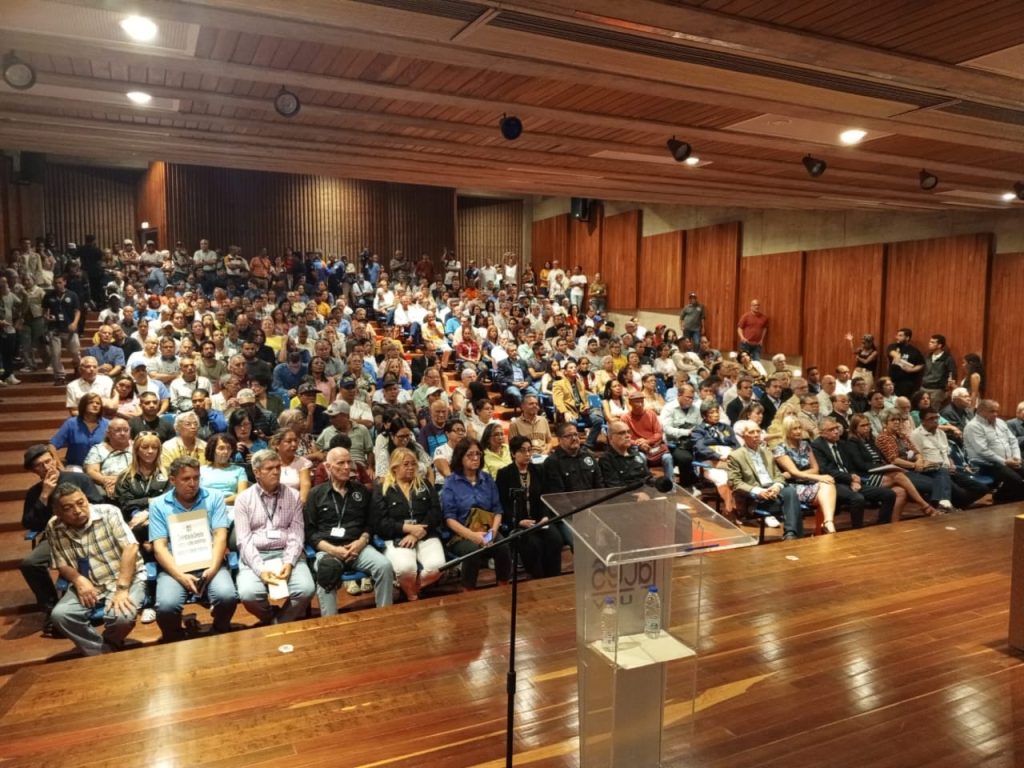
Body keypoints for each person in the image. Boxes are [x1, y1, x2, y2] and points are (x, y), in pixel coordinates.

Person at [45, 484, 146, 655]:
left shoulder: (108, 512)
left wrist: (122, 589)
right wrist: (78, 579)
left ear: (86, 498)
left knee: (123, 617)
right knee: (60, 615)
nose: (77, 510)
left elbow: (131, 548)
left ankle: (108, 644)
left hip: (124, 578)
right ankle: (101, 651)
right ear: (58, 512)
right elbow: (61, 562)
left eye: (81, 502)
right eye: (68, 508)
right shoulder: (53, 526)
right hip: (89, 584)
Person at [148, 457, 237, 640]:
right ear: (172, 480)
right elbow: (160, 548)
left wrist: (212, 569)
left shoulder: (214, 498)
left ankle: (219, 630)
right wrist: (180, 576)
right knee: (166, 607)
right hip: (175, 565)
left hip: (210, 561)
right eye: (186, 479)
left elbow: (220, 536)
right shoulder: (158, 504)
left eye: (196, 478)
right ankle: (175, 638)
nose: (193, 483)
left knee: (227, 596)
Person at [19, 445, 103, 635]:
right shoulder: (35, 492)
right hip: (56, 537)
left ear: (55, 459)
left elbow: (98, 503)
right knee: (30, 563)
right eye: (40, 465)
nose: (47, 467)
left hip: (88, 531)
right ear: (34, 471)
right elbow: (30, 522)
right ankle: (51, 607)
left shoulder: (79, 479)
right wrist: (45, 495)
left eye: (48, 461)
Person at [306, 447, 395, 613]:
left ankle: (385, 614)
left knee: (384, 566)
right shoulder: (315, 494)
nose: (347, 467)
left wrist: (361, 542)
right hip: (328, 549)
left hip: (358, 547)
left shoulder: (361, 491)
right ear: (328, 467)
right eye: (341, 463)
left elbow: (370, 524)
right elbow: (310, 533)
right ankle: (330, 623)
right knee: (327, 570)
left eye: (349, 462)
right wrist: (333, 550)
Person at [233, 449, 315, 624]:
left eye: (278, 467)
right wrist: (260, 570)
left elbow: (297, 533)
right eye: (269, 468)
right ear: (256, 472)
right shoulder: (244, 499)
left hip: (287, 551)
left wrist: (289, 561)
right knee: (249, 595)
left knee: (306, 589)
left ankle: (277, 622)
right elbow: (243, 540)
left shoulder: (293, 495)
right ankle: (272, 618)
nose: (276, 472)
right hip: (256, 554)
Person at [371, 447, 445, 601]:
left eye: (414, 464)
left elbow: (435, 513)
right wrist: (408, 529)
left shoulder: (424, 484)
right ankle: (411, 594)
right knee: (406, 569)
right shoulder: (382, 488)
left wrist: (417, 534)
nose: (411, 468)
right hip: (396, 536)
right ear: (395, 467)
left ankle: (412, 588)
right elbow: (379, 523)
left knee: (437, 568)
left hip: (425, 534)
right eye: (406, 464)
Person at [441, 438, 512, 589]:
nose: (475, 458)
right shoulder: (451, 483)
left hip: (487, 530)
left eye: (478, 454)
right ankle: (469, 590)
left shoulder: (487, 479)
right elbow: (449, 519)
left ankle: (503, 586)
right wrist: (472, 536)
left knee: (503, 546)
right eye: (470, 455)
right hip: (461, 534)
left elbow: (497, 510)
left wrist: (493, 532)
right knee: (472, 551)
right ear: (460, 457)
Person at [495, 436, 563, 579]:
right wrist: (518, 521)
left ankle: (554, 578)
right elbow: (502, 504)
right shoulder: (504, 474)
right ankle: (538, 578)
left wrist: (545, 516)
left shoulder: (538, 470)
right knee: (533, 544)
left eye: (529, 450)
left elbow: (545, 496)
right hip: (519, 523)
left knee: (555, 539)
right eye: (522, 451)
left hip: (540, 520)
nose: (527, 454)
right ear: (513, 453)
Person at [811, 417, 897, 528]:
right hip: (833, 483)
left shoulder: (842, 444)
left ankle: (882, 527)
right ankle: (857, 530)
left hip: (851, 480)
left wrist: (854, 479)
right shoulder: (817, 446)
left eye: (836, 428)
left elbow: (850, 466)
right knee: (857, 498)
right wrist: (850, 478)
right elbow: (826, 470)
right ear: (822, 433)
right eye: (831, 429)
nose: (836, 431)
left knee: (889, 494)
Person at [727, 421, 803, 541]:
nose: (756, 435)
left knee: (790, 491)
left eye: (758, 431)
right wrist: (758, 491)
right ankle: (793, 534)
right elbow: (735, 483)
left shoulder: (767, 452)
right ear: (743, 435)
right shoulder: (736, 456)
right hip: (755, 496)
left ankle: (791, 534)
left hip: (773, 490)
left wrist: (777, 487)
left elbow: (778, 475)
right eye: (751, 432)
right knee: (791, 498)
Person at [875, 409, 954, 513]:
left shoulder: (902, 436)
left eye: (898, 419)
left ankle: (941, 504)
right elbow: (894, 460)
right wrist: (914, 465)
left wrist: (919, 461)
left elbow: (916, 452)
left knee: (942, 470)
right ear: (885, 423)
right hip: (899, 472)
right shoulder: (883, 438)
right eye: (893, 420)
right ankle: (937, 506)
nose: (897, 422)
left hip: (914, 467)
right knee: (936, 483)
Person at [771, 416, 838, 533]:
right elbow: (795, 472)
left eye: (799, 428)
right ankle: (822, 529)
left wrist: (795, 474)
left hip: (807, 482)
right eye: (794, 429)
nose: (798, 431)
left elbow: (815, 469)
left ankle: (828, 522)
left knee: (828, 484)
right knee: (825, 486)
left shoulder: (805, 445)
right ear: (787, 431)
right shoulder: (780, 449)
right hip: (791, 488)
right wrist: (816, 477)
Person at [911, 408, 988, 509]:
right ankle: (948, 505)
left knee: (982, 488)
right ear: (922, 421)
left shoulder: (941, 433)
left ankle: (955, 506)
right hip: (932, 472)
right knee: (960, 494)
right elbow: (918, 457)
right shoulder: (916, 435)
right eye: (931, 418)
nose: (935, 420)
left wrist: (951, 463)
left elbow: (946, 453)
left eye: (937, 418)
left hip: (949, 470)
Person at [963, 400, 1024, 502]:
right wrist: (1005, 461)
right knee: (1016, 480)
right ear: (980, 411)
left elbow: (1013, 440)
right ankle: (1000, 499)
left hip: (1008, 460)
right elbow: (982, 451)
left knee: (1019, 481)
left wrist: (1016, 457)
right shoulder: (973, 426)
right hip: (986, 463)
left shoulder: (1000, 422)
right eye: (992, 411)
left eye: (997, 411)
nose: (995, 414)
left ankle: (1012, 503)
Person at [691, 399, 738, 515]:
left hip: (729, 460)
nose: (716, 415)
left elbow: (736, 445)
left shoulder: (726, 428)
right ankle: (731, 510)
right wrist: (718, 456)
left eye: (717, 411)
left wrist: (732, 454)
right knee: (724, 478)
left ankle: (741, 508)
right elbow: (700, 448)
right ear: (704, 415)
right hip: (708, 463)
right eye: (711, 412)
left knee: (740, 477)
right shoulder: (698, 430)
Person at [552, 360, 604, 449]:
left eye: (575, 367)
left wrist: (586, 407)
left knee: (598, 420)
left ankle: (587, 445)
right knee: (571, 423)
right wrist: (565, 412)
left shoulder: (580, 383)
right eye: (571, 368)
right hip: (569, 411)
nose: (574, 369)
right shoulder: (558, 384)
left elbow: (584, 399)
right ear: (565, 371)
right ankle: (571, 446)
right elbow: (558, 401)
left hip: (582, 411)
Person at [622, 390, 673, 478]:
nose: (640, 404)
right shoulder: (625, 418)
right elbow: (625, 438)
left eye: (642, 401)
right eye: (637, 401)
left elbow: (658, 433)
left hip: (654, 446)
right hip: (638, 448)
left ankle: (671, 486)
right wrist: (639, 444)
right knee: (641, 457)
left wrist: (647, 441)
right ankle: (644, 484)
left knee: (667, 457)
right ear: (630, 403)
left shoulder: (651, 414)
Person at [51, 392, 109, 468]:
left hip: (101, 468)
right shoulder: (71, 423)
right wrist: (60, 466)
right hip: (76, 468)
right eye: (91, 402)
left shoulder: (108, 424)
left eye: (98, 403)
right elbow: (51, 446)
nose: (95, 405)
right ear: (83, 405)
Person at [43, 274, 82, 385]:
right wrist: (46, 317)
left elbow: (77, 311)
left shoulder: (72, 295)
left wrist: (74, 323)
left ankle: (77, 368)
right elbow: (45, 310)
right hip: (54, 328)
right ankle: (59, 376)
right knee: (55, 354)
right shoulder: (49, 296)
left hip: (70, 328)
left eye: (60, 282)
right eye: (55, 283)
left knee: (75, 352)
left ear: (64, 282)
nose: (57, 285)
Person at [83, 417, 133, 499]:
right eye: (118, 430)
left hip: (132, 483)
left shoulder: (137, 447)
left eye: (126, 430)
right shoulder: (98, 449)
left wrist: (119, 481)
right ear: (108, 433)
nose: (123, 433)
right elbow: (91, 471)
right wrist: (106, 481)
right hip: (105, 485)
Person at [600, 419, 654, 486]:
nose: (627, 436)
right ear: (610, 437)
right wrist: (636, 495)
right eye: (622, 433)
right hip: (624, 495)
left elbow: (648, 477)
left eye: (628, 432)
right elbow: (615, 486)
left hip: (645, 492)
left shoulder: (636, 455)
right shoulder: (606, 460)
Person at [200, 433, 250, 504]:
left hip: (230, 507)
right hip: (205, 506)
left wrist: (219, 503)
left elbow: (242, 495)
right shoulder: (201, 470)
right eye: (221, 448)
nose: (226, 452)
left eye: (229, 448)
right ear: (212, 449)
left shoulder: (239, 470)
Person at [885, 328, 924, 398]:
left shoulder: (914, 351)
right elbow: (891, 352)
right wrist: (897, 356)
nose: (897, 337)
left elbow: (921, 364)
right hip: (892, 380)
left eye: (900, 336)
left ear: (907, 338)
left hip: (906, 382)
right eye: (897, 335)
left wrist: (911, 370)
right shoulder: (893, 346)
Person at [920, 334, 957, 409]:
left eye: (933, 342)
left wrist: (948, 389)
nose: (929, 343)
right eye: (930, 341)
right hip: (924, 387)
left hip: (937, 390)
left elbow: (952, 374)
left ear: (939, 345)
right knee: (922, 409)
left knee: (934, 410)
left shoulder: (947, 358)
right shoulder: (927, 356)